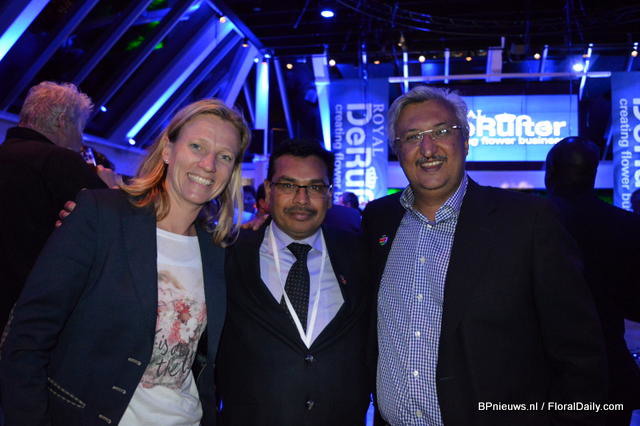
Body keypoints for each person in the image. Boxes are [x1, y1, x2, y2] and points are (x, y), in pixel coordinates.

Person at [362, 86, 606, 425]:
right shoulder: (378, 219)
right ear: (397, 149)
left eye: (442, 132)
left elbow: (579, 354)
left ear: (465, 140)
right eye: (412, 137)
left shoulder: (527, 222)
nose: (428, 148)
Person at [0, 99, 250, 426]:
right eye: (196, 146)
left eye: (224, 156)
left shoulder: (219, 251)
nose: (208, 164)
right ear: (167, 150)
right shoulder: (101, 216)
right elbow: (27, 336)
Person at [216, 139, 372, 425]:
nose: (302, 199)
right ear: (268, 191)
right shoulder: (230, 254)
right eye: (288, 185)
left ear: (329, 195)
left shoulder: (361, 255)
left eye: (315, 187)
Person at [0, 81, 119, 332]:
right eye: (80, 129)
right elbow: (114, 229)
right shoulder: (60, 161)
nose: (81, 140)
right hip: (27, 313)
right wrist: (110, 190)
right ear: (62, 121)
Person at [545, 136, 640, 426]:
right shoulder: (627, 225)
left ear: (550, 172)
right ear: (593, 174)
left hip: (541, 376)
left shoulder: (525, 223)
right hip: (609, 374)